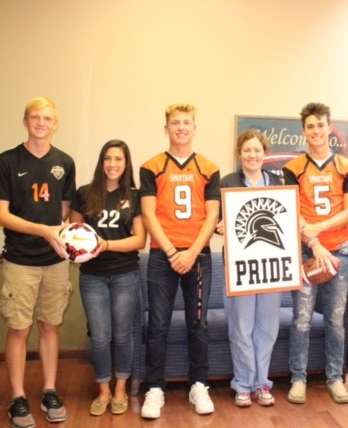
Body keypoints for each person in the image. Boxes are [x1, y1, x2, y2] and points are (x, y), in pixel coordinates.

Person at [0, 96, 75, 428]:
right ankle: (18, 397)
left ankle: (49, 391)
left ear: (56, 123)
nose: (41, 122)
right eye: (35, 117)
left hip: (55, 261)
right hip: (20, 260)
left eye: (47, 118)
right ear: (25, 121)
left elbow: (65, 208)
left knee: (50, 325)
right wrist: (44, 230)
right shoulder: (6, 162)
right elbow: (0, 215)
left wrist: (61, 233)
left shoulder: (64, 162)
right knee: (19, 328)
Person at [139, 103, 220, 419]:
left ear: (194, 128)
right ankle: (155, 388)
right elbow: (148, 213)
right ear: (166, 128)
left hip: (198, 256)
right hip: (162, 256)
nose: (181, 127)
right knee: (157, 325)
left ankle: (199, 384)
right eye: (175, 122)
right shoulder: (152, 166)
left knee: (198, 324)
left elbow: (212, 215)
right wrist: (172, 252)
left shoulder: (209, 168)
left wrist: (191, 252)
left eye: (187, 122)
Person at [282, 102, 348, 405]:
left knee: (336, 320)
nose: (316, 131)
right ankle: (298, 378)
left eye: (320, 125)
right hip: (304, 252)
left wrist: (319, 228)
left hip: (338, 251)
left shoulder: (346, 167)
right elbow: (290, 209)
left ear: (329, 128)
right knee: (301, 319)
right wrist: (310, 236)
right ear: (304, 131)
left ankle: (335, 377)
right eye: (310, 126)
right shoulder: (293, 169)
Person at [69, 139, 146, 416]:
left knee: (122, 335)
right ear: (101, 162)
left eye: (119, 159)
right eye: (108, 158)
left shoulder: (134, 196)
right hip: (92, 276)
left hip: (125, 274)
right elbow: (72, 232)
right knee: (100, 337)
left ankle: (121, 388)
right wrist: (80, 246)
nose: (113, 164)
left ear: (126, 164)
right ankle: (103, 390)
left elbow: (139, 240)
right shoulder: (84, 193)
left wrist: (106, 244)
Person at [216, 129, 284, 407]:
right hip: (239, 266)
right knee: (241, 327)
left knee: (267, 328)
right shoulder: (227, 182)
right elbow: (219, 220)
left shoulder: (279, 182)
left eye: (257, 150)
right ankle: (243, 384)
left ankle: (261, 383)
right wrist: (221, 226)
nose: (252, 155)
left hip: (272, 267)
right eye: (247, 150)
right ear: (239, 153)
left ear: (264, 153)